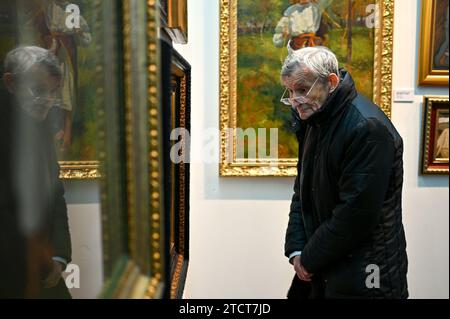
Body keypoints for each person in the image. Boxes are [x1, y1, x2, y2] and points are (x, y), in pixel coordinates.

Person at [281, 46, 408, 299]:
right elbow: (302, 191)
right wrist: (296, 249)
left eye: (303, 89)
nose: (295, 100)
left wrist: (309, 259)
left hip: (367, 274)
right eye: (291, 91)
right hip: (326, 264)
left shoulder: (367, 128)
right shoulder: (315, 119)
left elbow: (355, 214)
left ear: (331, 82)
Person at [0, 46, 72, 298]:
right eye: (39, 90)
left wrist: (59, 256)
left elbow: (56, 195)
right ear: (10, 83)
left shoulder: (38, 126)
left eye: (54, 91)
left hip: (43, 270)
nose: (49, 100)